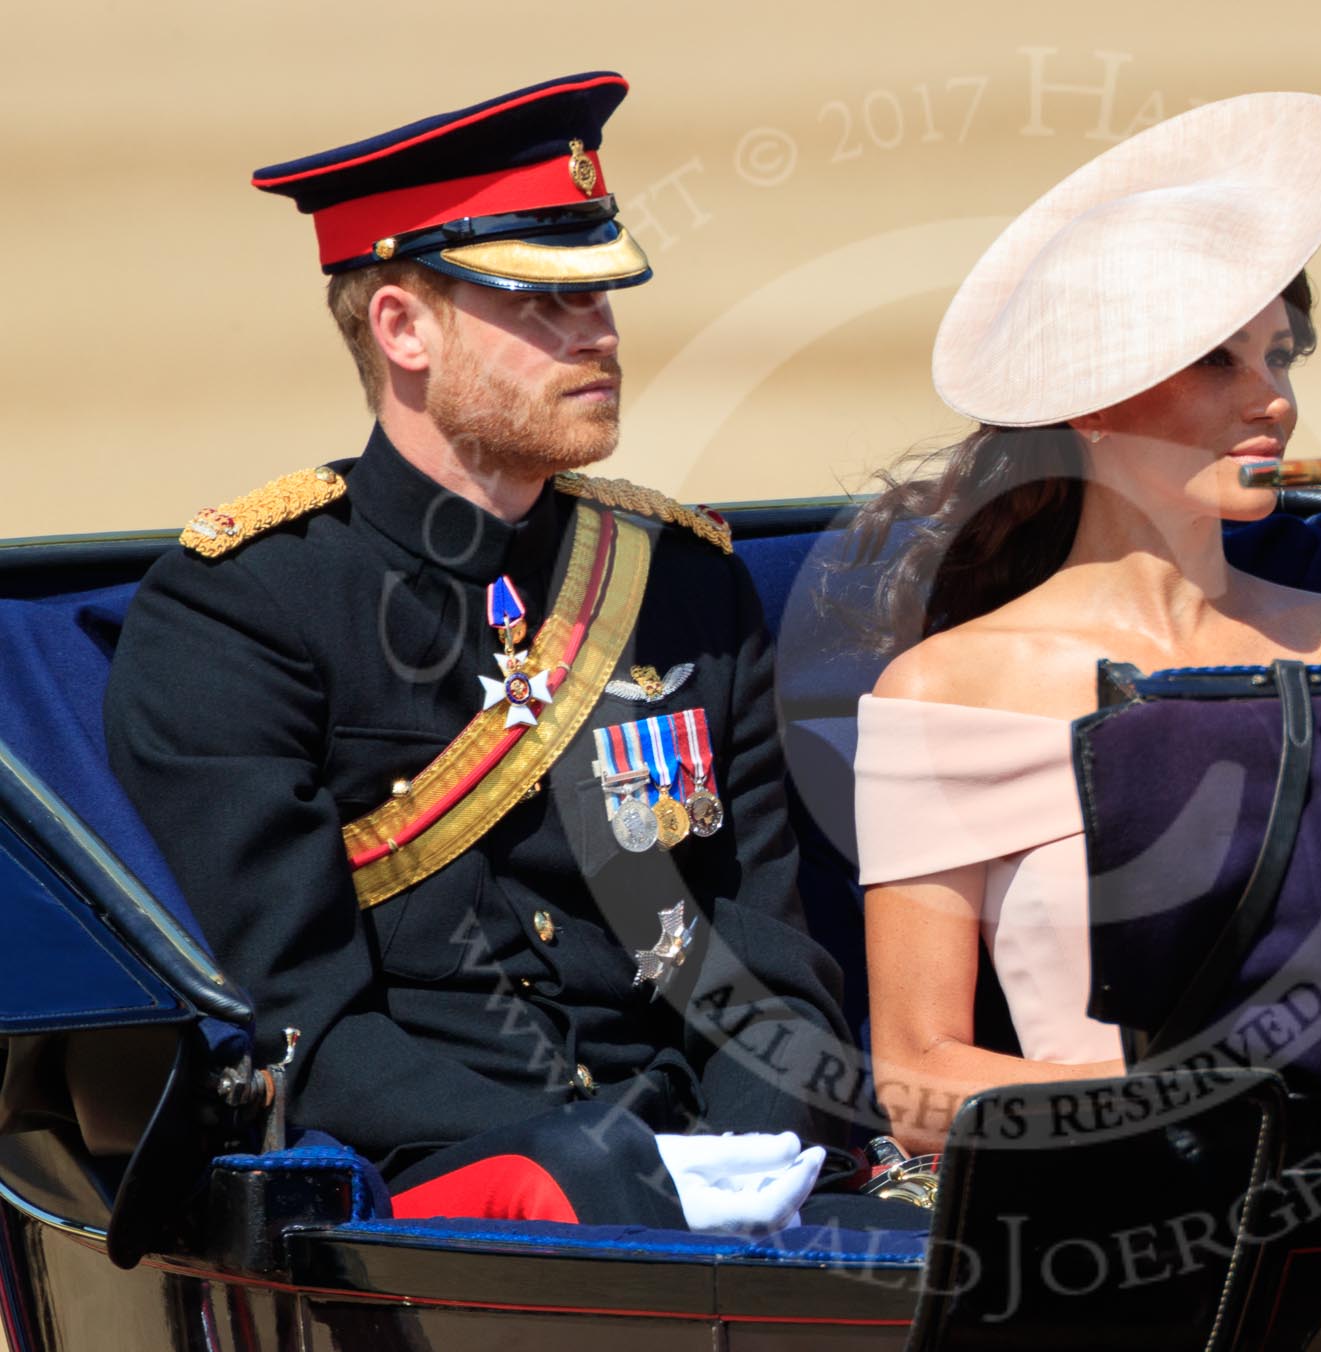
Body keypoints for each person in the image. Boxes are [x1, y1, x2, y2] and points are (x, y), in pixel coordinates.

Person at [103, 72, 886, 1231]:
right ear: (402, 326)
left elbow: (760, 954)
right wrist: (590, 1158)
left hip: (696, 1156)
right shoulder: (245, 607)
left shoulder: (680, 582)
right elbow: (297, 1026)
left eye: (604, 296)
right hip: (441, 1184)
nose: (600, 333)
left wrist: (746, 1150)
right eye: (541, 304)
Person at [845, 93, 1321, 1155]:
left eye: (1281, 356)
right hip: (1133, 1225)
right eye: (1217, 357)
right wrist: (1176, 1110)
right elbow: (917, 1076)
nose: (1273, 400)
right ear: (1090, 399)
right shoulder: (946, 693)